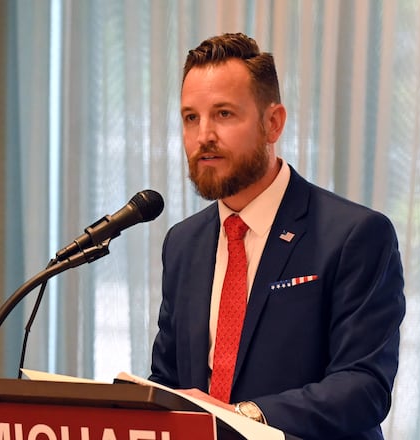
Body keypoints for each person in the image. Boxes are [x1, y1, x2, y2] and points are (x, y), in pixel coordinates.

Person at [148, 33, 406, 440]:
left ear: (273, 123)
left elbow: (364, 386)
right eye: (190, 118)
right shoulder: (183, 243)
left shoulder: (354, 235)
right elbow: (167, 380)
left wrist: (243, 416)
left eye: (224, 114)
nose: (203, 137)